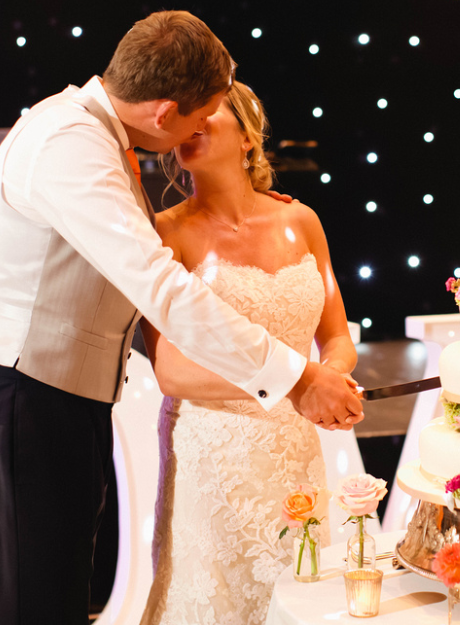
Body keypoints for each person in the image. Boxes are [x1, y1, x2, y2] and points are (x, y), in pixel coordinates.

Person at [0, 11, 363, 625]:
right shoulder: (70, 144)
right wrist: (296, 378)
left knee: (57, 605)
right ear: (165, 114)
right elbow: (162, 288)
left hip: (62, 409)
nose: (199, 131)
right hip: (21, 406)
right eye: (199, 116)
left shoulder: (100, 140)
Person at [137, 82, 357, 625]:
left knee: (297, 594)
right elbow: (170, 371)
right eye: (185, 115)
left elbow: (337, 339)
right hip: (211, 454)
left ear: (248, 137)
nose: (193, 123)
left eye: (207, 111)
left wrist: (330, 380)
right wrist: (299, 384)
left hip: (294, 447)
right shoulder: (164, 233)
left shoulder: (302, 221)